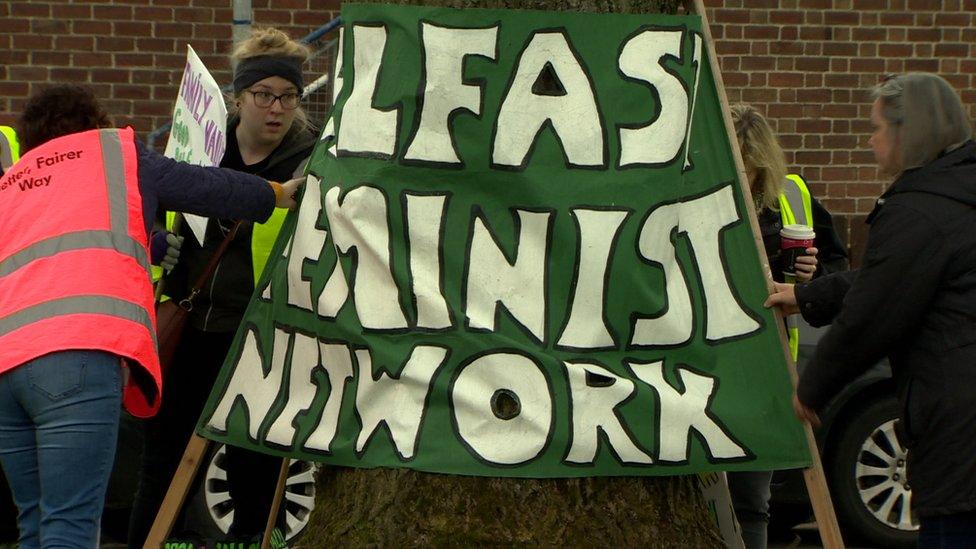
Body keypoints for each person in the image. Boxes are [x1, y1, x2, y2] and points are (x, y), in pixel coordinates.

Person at [0, 84, 302, 549]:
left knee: (35, 524)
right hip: (76, 354)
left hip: (6, 366)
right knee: (70, 524)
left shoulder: (13, 183)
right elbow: (206, 186)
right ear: (94, 122)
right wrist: (277, 193)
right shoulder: (113, 154)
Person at [766, 73, 976, 546]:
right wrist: (806, 295)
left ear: (908, 132)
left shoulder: (918, 210)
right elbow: (893, 278)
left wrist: (812, 389)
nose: (870, 138)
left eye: (878, 127)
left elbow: (872, 315)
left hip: (959, 434)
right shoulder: (959, 198)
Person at [128, 27, 317, 546]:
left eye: (288, 96)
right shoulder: (201, 146)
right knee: (161, 466)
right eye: (263, 95)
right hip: (190, 327)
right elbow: (153, 214)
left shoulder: (312, 163)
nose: (276, 108)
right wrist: (156, 240)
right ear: (239, 97)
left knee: (253, 472)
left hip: (260, 337)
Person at [727, 104, 847, 549]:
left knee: (752, 499)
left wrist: (811, 282)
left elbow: (840, 269)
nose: (744, 178)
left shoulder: (793, 194)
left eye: (751, 169)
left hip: (770, 364)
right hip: (707, 360)